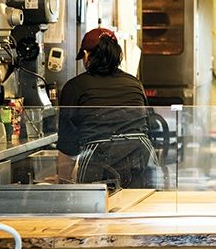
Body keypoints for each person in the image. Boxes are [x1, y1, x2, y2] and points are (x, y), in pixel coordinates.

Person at [57, 27, 155, 189]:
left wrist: (64, 183)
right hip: (141, 165)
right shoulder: (134, 84)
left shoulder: (74, 87)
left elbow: (68, 148)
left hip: (98, 170)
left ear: (87, 55)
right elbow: (147, 128)